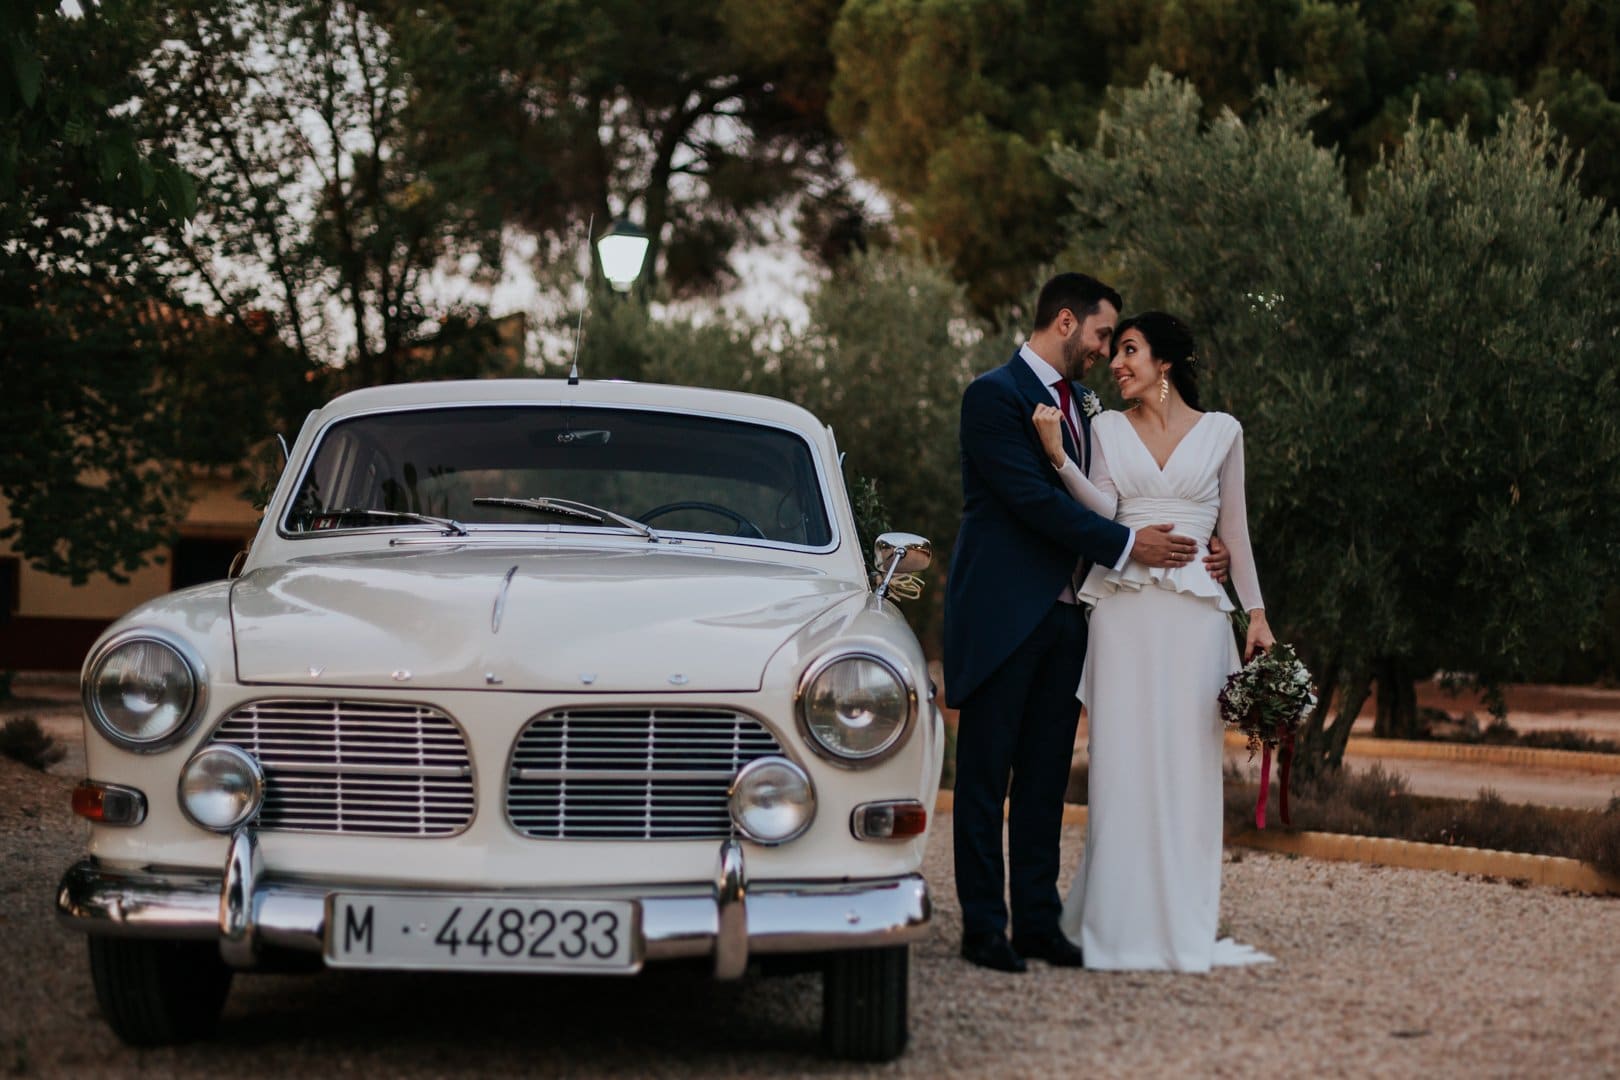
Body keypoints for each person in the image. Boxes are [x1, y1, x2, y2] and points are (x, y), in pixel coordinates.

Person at [943, 275, 1229, 974]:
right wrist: (1136, 548)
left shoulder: (1084, 408)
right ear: (1065, 322)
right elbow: (1033, 503)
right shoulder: (993, 396)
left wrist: (1203, 542)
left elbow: (1108, 497)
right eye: (1103, 335)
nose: (1106, 350)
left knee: (1043, 778)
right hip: (1004, 614)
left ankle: (1037, 920)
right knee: (986, 778)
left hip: (1073, 618)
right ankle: (984, 927)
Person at [1032, 310, 1274, 971]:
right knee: (1122, 760)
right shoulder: (1106, 429)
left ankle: (1182, 915)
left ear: (1165, 362)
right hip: (1123, 612)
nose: (1117, 362)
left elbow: (1238, 530)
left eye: (1131, 350)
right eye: (1116, 351)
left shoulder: (1223, 432)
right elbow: (1103, 512)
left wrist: (1255, 614)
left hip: (1196, 616)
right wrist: (1058, 460)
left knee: (1188, 765)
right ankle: (1118, 917)